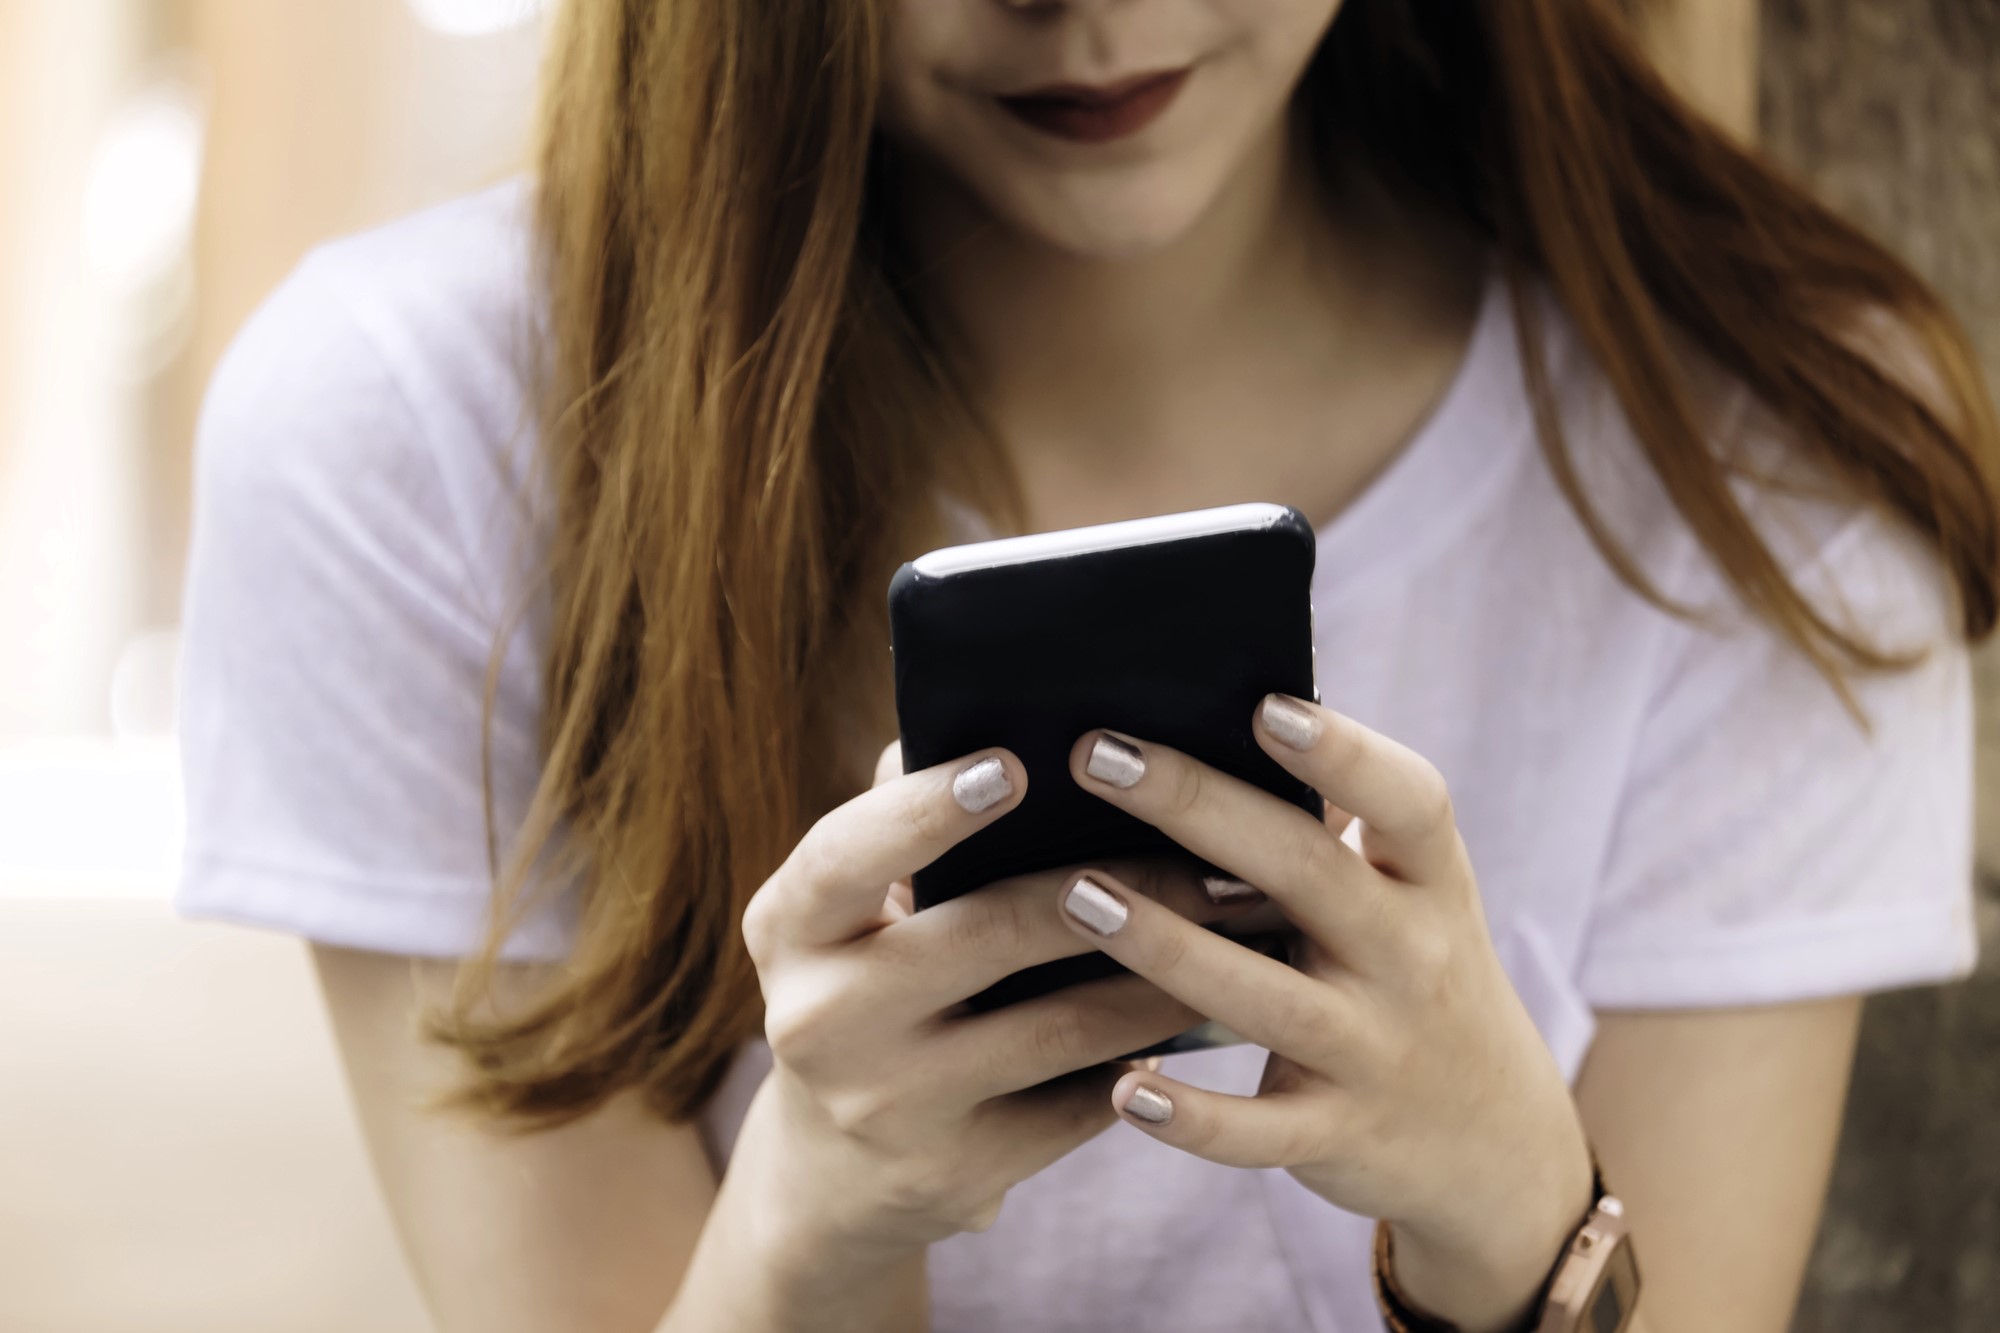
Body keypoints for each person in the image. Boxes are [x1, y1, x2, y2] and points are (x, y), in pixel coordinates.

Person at [174, 2, 1998, 1331]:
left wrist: (1509, 1204)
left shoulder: (1762, 462)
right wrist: (819, 1216)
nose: (1096, 10)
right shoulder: (411, 437)